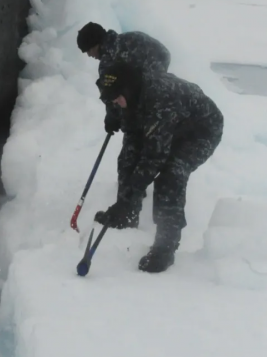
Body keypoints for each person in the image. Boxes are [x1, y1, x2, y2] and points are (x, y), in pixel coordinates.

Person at [94, 63, 223, 273]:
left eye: (116, 97)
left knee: (171, 175)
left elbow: (154, 157)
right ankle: (127, 214)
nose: (114, 102)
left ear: (127, 90)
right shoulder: (130, 92)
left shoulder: (161, 99)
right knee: (128, 158)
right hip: (170, 124)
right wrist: (113, 114)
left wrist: (132, 190)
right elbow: (134, 138)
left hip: (200, 131)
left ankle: (166, 247)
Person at [77, 22, 171, 133]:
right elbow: (164, 53)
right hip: (164, 88)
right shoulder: (133, 37)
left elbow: (111, 94)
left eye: (88, 50)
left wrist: (112, 118)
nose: (89, 55)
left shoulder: (108, 61)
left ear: (95, 43)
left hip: (149, 99)